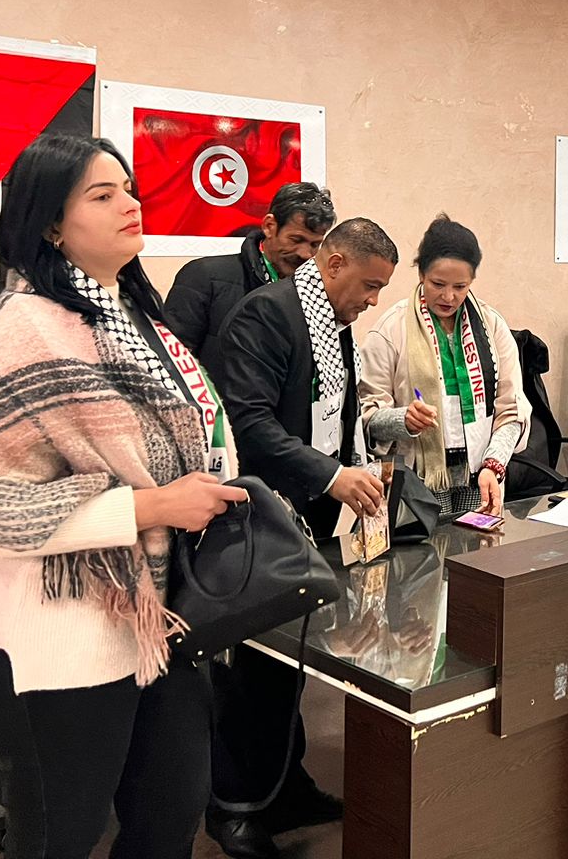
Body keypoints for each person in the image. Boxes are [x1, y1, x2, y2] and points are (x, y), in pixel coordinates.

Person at [0, 135, 246, 859]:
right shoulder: (27, 329)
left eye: (129, 189)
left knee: (168, 819)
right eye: (102, 194)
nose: (129, 204)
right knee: (59, 837)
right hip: (54, 629)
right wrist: (152, 508)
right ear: (51, 226)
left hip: (156, 615)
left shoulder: (136, 315)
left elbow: (196, 432)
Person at [206, 218, 398, 859]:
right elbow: (249, 421)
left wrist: (359, 463)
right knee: (258, 668)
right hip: (261, 514)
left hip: (309, 512)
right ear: (334, 263)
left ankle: (286, 786)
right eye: (369, 285)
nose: (372, 300)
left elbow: (338, 412)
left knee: (290, 667)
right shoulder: (266, 314)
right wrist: (331, 474)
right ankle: (235, 807)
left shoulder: (332, 321)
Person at [358, 215, 530, 515]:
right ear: (421, 273)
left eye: (460, 286)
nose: (449, 297)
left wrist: (494, 464)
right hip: (416, 481)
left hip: (480, 477)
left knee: (479, 545)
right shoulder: (391, 329)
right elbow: (366, 416)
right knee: (427, 548)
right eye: (438, 284)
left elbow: (511, 410)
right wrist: (403, 420)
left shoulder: (491, 326)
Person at [163, 182, 335, 389]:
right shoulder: (203, 277)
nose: (305, 254)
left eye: (315, 244)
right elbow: (171, 365)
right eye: (296, 239)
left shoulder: (315, 294)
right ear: (269, 226)